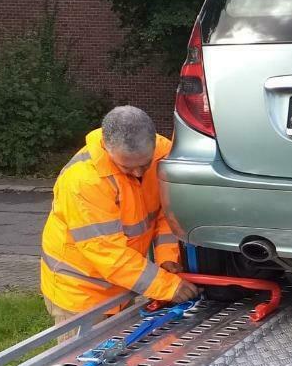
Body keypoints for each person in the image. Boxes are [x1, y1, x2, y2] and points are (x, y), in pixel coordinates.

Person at [41, 106, 200, 335]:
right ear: (107, 148)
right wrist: (166, 286)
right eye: (127, 167)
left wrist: (167, 258)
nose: (138, 173)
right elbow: (108, 253)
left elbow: (167, 212)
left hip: (124, 283)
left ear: (154, 143)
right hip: (80, 294)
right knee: (85, 358)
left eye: (144, 164)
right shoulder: (83, 181)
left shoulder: (163, 153)